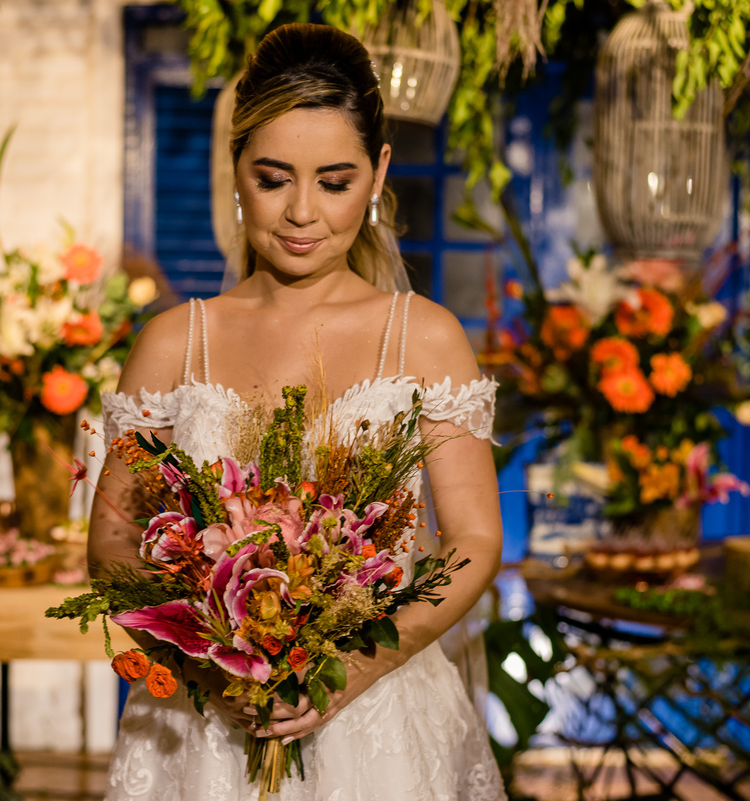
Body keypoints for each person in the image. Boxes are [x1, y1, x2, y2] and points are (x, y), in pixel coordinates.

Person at [89, 22, 505, 801]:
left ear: (379, 172)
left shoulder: (427, 338)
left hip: (382, 726)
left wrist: (348, 670)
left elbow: (475, 541)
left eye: (335, 181)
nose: (302, 212)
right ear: (236, 170)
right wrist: (211, 661)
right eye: (274, 178)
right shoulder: (173, 344)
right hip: (203, 729)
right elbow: (112, 542)